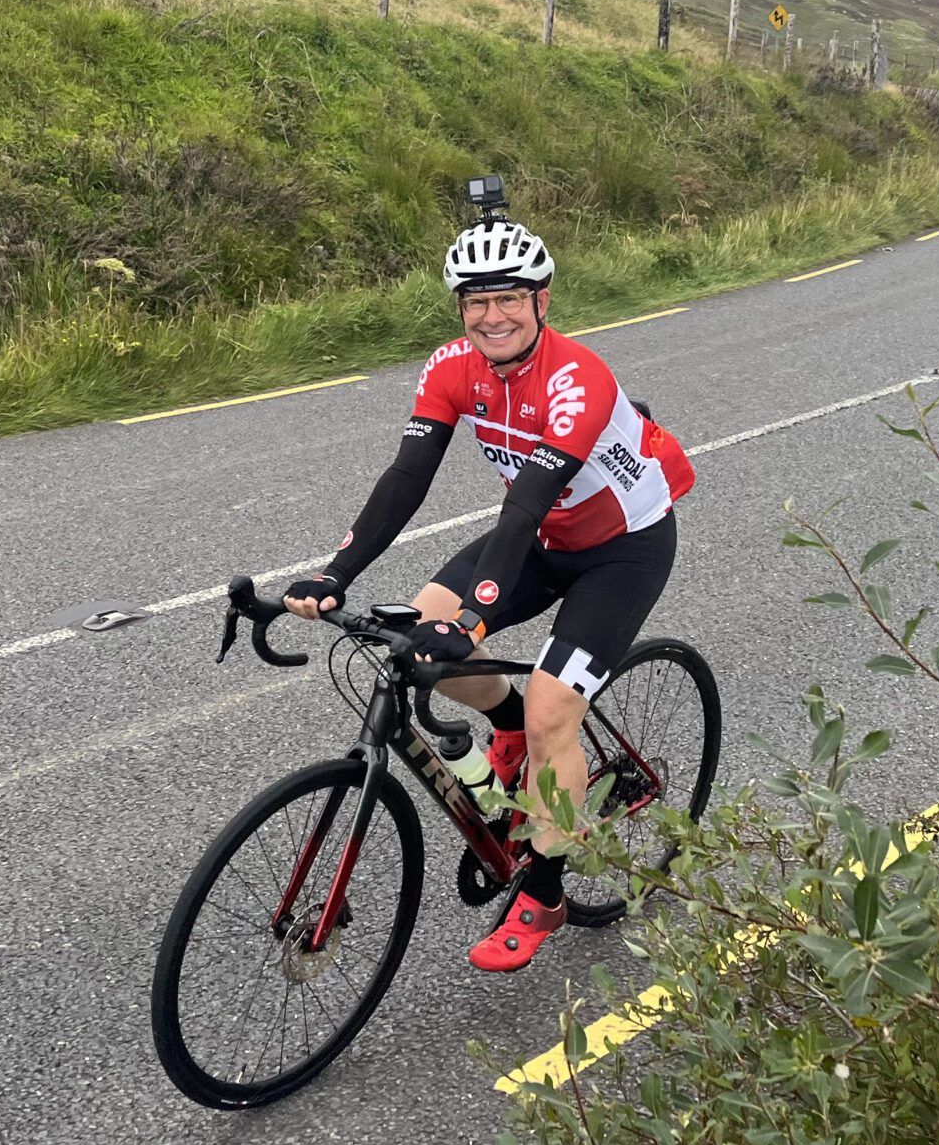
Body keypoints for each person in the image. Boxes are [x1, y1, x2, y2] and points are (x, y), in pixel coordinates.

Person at [279, 205, 694, 972]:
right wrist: (334, 573)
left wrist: (474, 619)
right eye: (477, 301)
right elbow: (407, 478)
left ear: (542, 302)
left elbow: (525, 503)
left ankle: (544, 885)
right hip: (539, 542)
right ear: (461, 310)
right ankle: (504, 729)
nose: (492, 315)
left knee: (550, 711)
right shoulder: (449, 367)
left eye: (509, 297)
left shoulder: (579, 380)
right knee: (415, 643)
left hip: (620, 550)